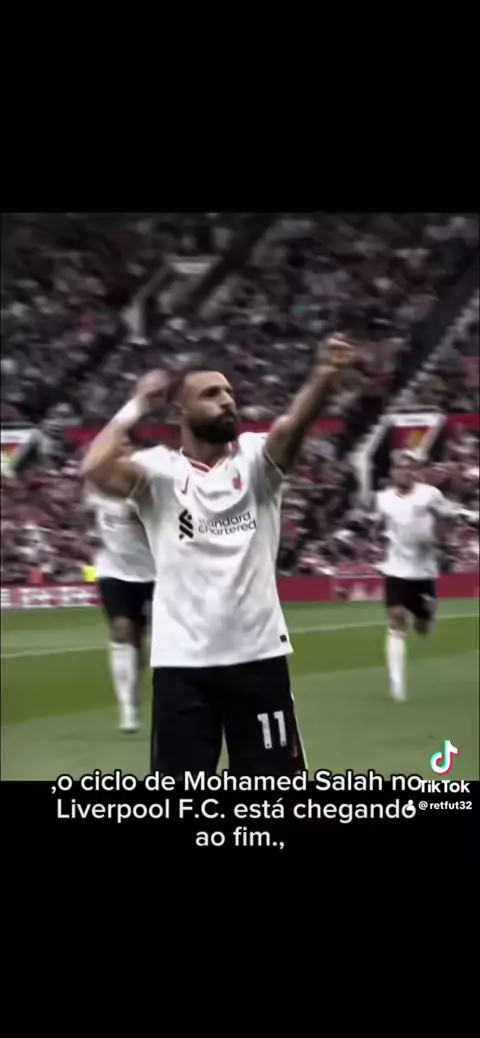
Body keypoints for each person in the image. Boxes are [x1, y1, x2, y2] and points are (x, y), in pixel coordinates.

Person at [80, 334, 355, 776]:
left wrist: (323, 378)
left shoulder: (256, 463)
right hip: (182, 666)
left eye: (229, 392)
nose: (227, 400)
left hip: (257, 658)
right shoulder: (158, 472)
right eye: (211, 394)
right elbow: (94, 468)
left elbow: (292, 427)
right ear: (179, 413)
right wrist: (137, 404)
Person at [375, 452, 455, 703]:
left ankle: (427, 616)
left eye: (410, 468)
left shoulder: (430, 494)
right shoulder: (383, 499)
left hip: (423, 570)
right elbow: (380, 525)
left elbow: (448, 517)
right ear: (393, 472)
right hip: (396, 568)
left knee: (422, 628)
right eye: (400, 468)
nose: (405, 472)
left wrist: (439, 537)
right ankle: (397, 687)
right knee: (396, 618)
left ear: (416, 472)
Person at [85, 476, 155, 733]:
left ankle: (132, 690)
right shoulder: (97, 488)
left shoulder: (147, 495)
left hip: (150, 573)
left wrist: (142, 517)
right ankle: (127, 708)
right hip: (112, 570)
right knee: (122, 629)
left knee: (142, 642)